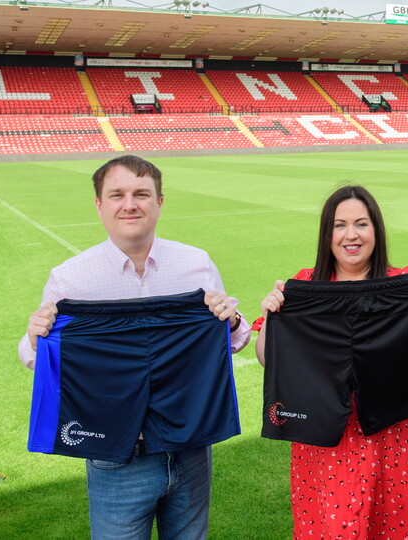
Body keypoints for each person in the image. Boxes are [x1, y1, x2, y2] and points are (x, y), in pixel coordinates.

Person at [19, 155, 250, 539]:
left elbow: (230, 342)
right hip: (117, 456)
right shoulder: (71, 278)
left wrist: (233, 320)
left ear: (159, 202)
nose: (130, 204)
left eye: (141, 194)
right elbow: (36, 356)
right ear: (100, 205)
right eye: (117, 195)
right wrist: (35, 338)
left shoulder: (196, 264)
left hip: (191, 445)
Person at [254, 185, 408, 538]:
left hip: (395, 435)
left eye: (361, 224)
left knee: (404, 526)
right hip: (325, 440)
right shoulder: (305, 284)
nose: (350, 235)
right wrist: (274, 318)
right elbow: (268, 359)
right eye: (340, 225)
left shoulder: (404, 283)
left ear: (376, 230)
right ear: (327, 234)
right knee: (335, 528)